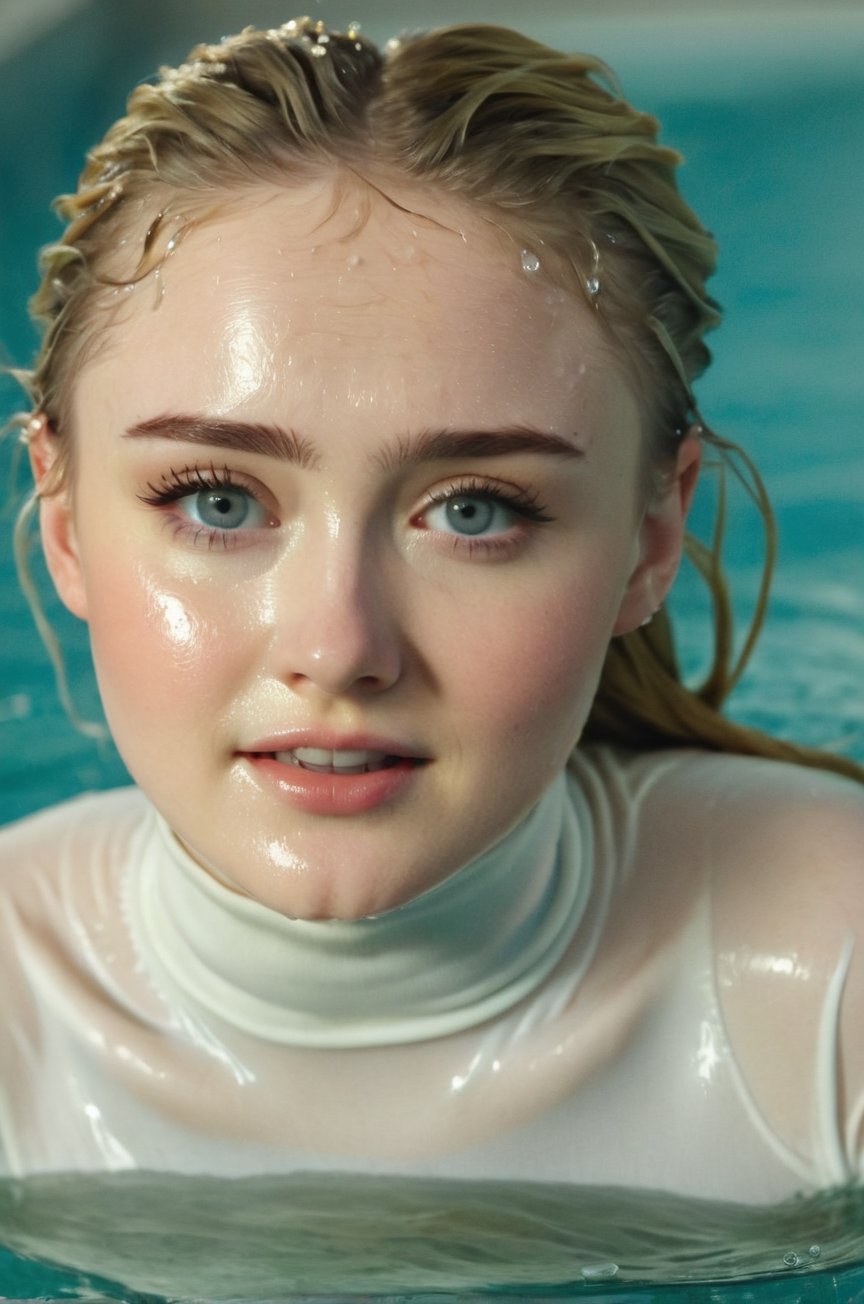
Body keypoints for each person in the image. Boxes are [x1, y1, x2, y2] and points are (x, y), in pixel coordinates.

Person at [1, 16, 862, 1200]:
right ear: (66, 524)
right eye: (214, 498)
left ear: (650, 538)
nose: (339, 646)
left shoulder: (827, 981)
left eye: (473, 511)